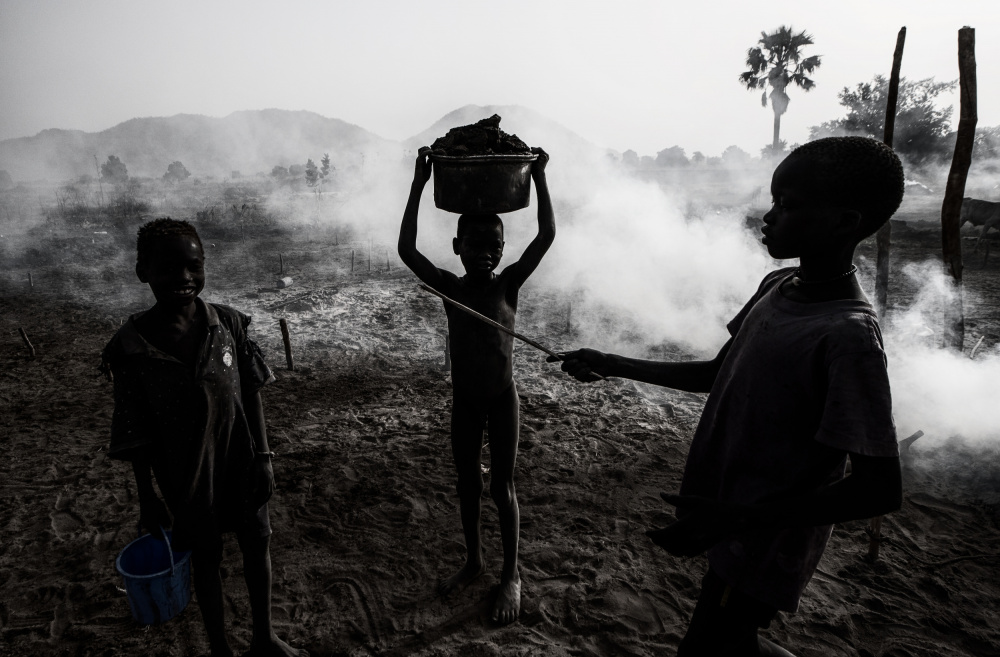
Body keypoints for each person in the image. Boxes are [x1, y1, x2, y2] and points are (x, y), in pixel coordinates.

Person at [553, 136, 905, 656]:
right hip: (728, 517)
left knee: (710, 646)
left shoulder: (848, 336)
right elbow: (718, 373)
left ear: (845, 222)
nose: (768, 217)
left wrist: (739, 517)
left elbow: (879, 489)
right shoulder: (777, 285)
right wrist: (611, 364)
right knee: (728, 644)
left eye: (787, 206)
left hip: (769, 541)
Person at [102, 218, 307, 657]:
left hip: (241, 461)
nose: (183, 278)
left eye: (193, 266)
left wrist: (265, 456)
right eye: (167, 268)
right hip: (185, 476)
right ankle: (219, 648)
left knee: (257, 545)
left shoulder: (227, 324)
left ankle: (264, 636)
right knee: (206, 559)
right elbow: (134, 429)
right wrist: (147, 496)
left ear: (204, 265)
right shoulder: (131, 347)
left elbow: (251, 393)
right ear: (143, 272)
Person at [397, 145, 555, 624]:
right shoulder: (451, 287)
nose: (485, 255)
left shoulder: (508, 285)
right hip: (464, 401)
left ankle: (511, 574)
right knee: (467, 484)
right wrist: (420, 184)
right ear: (457, 247)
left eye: (494, 247)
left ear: (504, 251)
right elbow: (406, 250)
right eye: (475, 245)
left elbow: (547, 234)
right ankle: (474, 561)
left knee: (501, 487)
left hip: (502, 398)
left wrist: (541, 177)